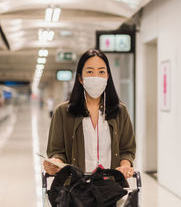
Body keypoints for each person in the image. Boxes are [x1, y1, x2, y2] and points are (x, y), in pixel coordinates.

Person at [44, 49, 136, 179]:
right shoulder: (63, 112)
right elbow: (57, 151)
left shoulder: (120, 111)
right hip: (76, 189)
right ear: (81, 78)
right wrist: (56, 163)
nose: (96, 77)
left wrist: (125, 165)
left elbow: (127, 150)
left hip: (111, 188)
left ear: (108, 76)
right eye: (90, 72)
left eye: (101, 72)